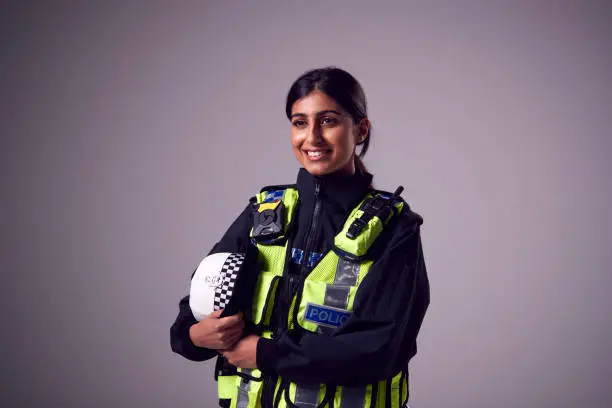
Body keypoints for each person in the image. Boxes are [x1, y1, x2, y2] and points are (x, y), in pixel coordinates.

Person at [170, 67, 430, 408]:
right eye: (300, 122)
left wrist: (268, 354)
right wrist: (194, 336)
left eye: (328, 121)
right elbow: (193, 313)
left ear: (361, 129)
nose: (313, 138)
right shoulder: (263, 214)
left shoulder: (394, 227)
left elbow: (381, 347)